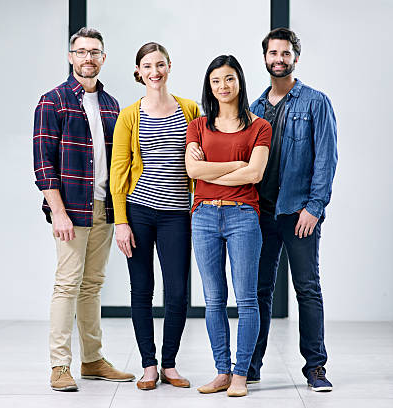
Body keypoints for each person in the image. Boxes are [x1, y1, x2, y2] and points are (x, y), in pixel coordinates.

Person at [33, 27, 135, 392]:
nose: (88, 58)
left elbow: (122, 159)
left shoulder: (111, 105)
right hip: (71, 206)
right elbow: (43, 164)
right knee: (67, 284)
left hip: (105, 205)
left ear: (103, 58)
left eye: (95, 52)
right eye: (81, 51)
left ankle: (92, 359)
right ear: (70, 56)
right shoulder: (53, 101)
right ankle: (60, 365)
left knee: (92, 285)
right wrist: (57, 211)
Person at [247, 28, 337, 392]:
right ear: (265, 58)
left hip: (299, 213)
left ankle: (315, 368)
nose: (279, 60)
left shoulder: (316, 102)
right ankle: (250, 366)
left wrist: (314, 208)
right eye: (273, 54)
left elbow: (326, 160)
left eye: (285, 54)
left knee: (308, 289)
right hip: (261, 214)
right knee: (258, 291)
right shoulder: (254, 109)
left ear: (295, 58)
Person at [110, 42, 200, 391]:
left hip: (178, 213)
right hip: (139, 211)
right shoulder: (130, 115)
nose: (154, 71)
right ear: (139, 72)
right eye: (147, 66)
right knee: (142, 289)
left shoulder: (190, 109)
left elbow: (201, 156)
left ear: (169, 66)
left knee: (178, 292)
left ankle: (170, 364)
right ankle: (149, 365)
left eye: (160, 64)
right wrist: (121, 221)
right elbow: (118, 172)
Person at [185, 55, 271, 397]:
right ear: (210, 84)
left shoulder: (259, 126)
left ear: (240, 82)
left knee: (247, 299)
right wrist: (237, 163)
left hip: (243, 216)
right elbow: (193, 172)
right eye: (216, 80)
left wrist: (216, 169)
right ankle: (221, 371)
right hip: (204, 216)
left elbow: (256, 174)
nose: (223, 86)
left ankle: (240, 375)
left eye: (229, 79)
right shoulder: (199, 125)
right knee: (213, 299)